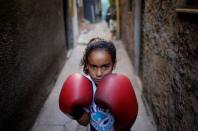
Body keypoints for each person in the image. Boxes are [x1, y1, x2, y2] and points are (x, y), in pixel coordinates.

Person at [59, 38, 137, 131]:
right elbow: (85, 122)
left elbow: (123, 125)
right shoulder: (84, 87)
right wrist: (77, 112)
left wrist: (124, 122)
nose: (99, 73)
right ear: (87, 65)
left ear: (114, 64)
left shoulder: (120, 87)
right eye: (93, 66)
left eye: (105, 67)